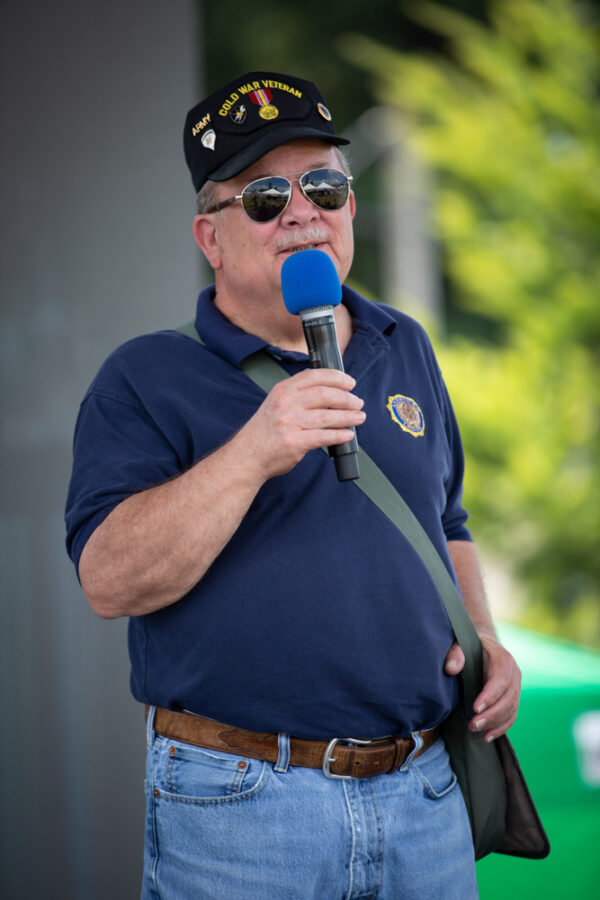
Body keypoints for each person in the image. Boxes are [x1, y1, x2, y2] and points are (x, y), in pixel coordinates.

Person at [65, 71, 521, 899]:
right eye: (267, 197)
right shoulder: (144, 377)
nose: (305, 211)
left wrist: (485, 640)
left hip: (423, 790)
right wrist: (252, 451)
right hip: (242, 804)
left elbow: (447, 518)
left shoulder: (402, 340)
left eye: (325, 187)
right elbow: (108, 581)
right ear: (211, 237)